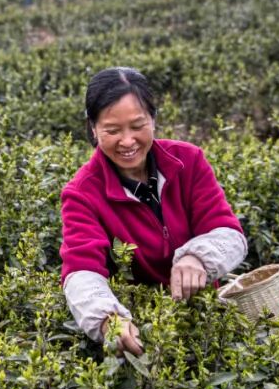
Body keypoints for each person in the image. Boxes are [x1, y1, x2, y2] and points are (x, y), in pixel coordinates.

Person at [60, 67, 246, 354]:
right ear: (93, 129)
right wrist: (108, 318)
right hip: (144, 328)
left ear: (153, 119)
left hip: (208, 320)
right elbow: (81, 270)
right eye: (112, 130)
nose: (127, 141)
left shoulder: (188, 161)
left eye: (137, 126)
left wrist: (197, 258)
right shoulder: (82, 193)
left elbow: (229, 233)